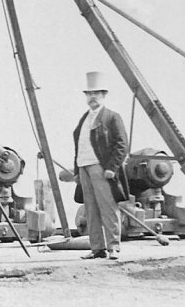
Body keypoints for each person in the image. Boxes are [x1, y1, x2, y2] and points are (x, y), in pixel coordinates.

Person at [73, 71, 128, 260]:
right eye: (89, 94)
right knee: (91, 209)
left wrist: (112, 167)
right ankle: (97, 248)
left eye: (96, 93)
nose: (93, 97)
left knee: (108, 208)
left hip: (101, 168)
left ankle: (113, 247)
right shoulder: (84, 118)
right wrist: (76, 171)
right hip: (84, 167)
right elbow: (78, 145)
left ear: (104, 95)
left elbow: (122, 144)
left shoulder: (112, 117)